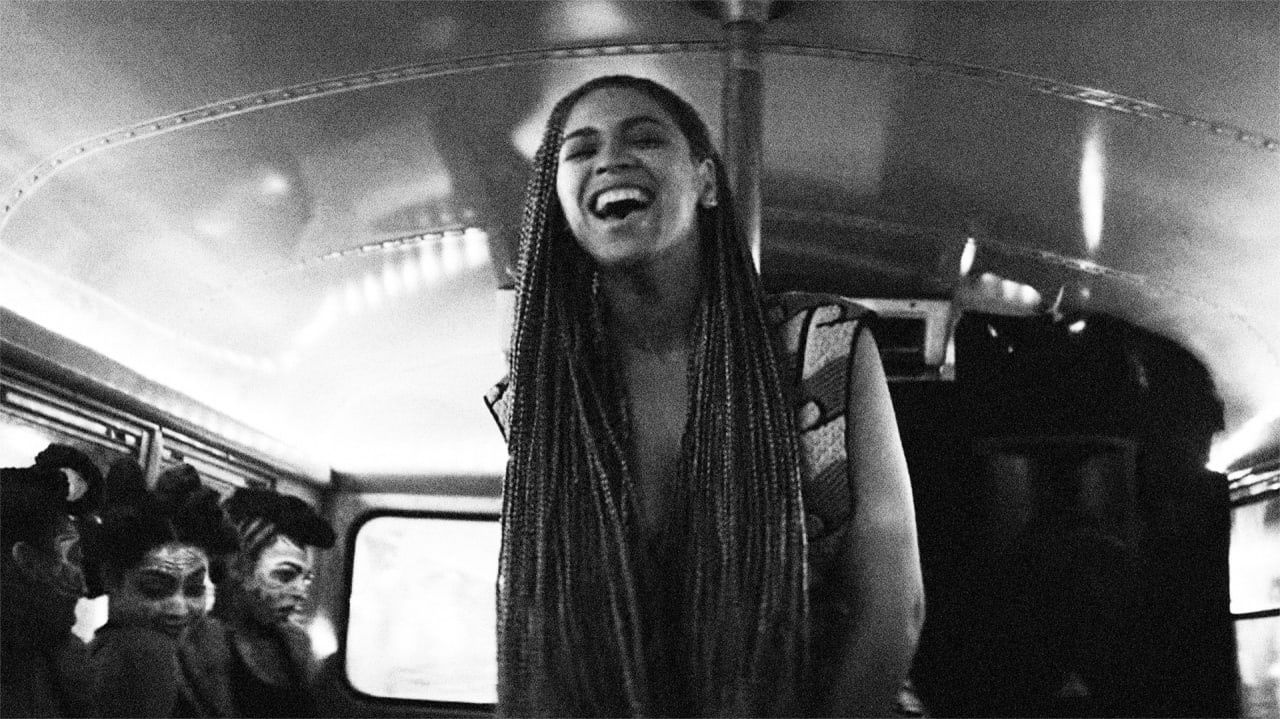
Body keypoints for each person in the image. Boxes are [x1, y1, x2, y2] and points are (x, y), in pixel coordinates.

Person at [484, 75, 924, 716]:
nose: (610, 159)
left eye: (644, 138)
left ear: (707, 183)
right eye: (581, 150)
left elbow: (892, 608)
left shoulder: (823, 346)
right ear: (560, 206)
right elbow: (539, 627)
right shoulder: (541, 400)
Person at [89, 466, 238, 716]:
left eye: (194, 589)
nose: (179, 609)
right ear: (112, 579)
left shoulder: (189, 655)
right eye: (156, 589)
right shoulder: (146, 652)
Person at [178, 487, 335, 717]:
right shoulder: (195, 646)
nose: (300, 592)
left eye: (306, 580)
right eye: (285, 575)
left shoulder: (295, 645)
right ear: (237, 568)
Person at [0, 463, 95, 718]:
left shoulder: (63, 656)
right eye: (73, 558)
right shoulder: (61, 659)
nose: (84, 586)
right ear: (27, 560)